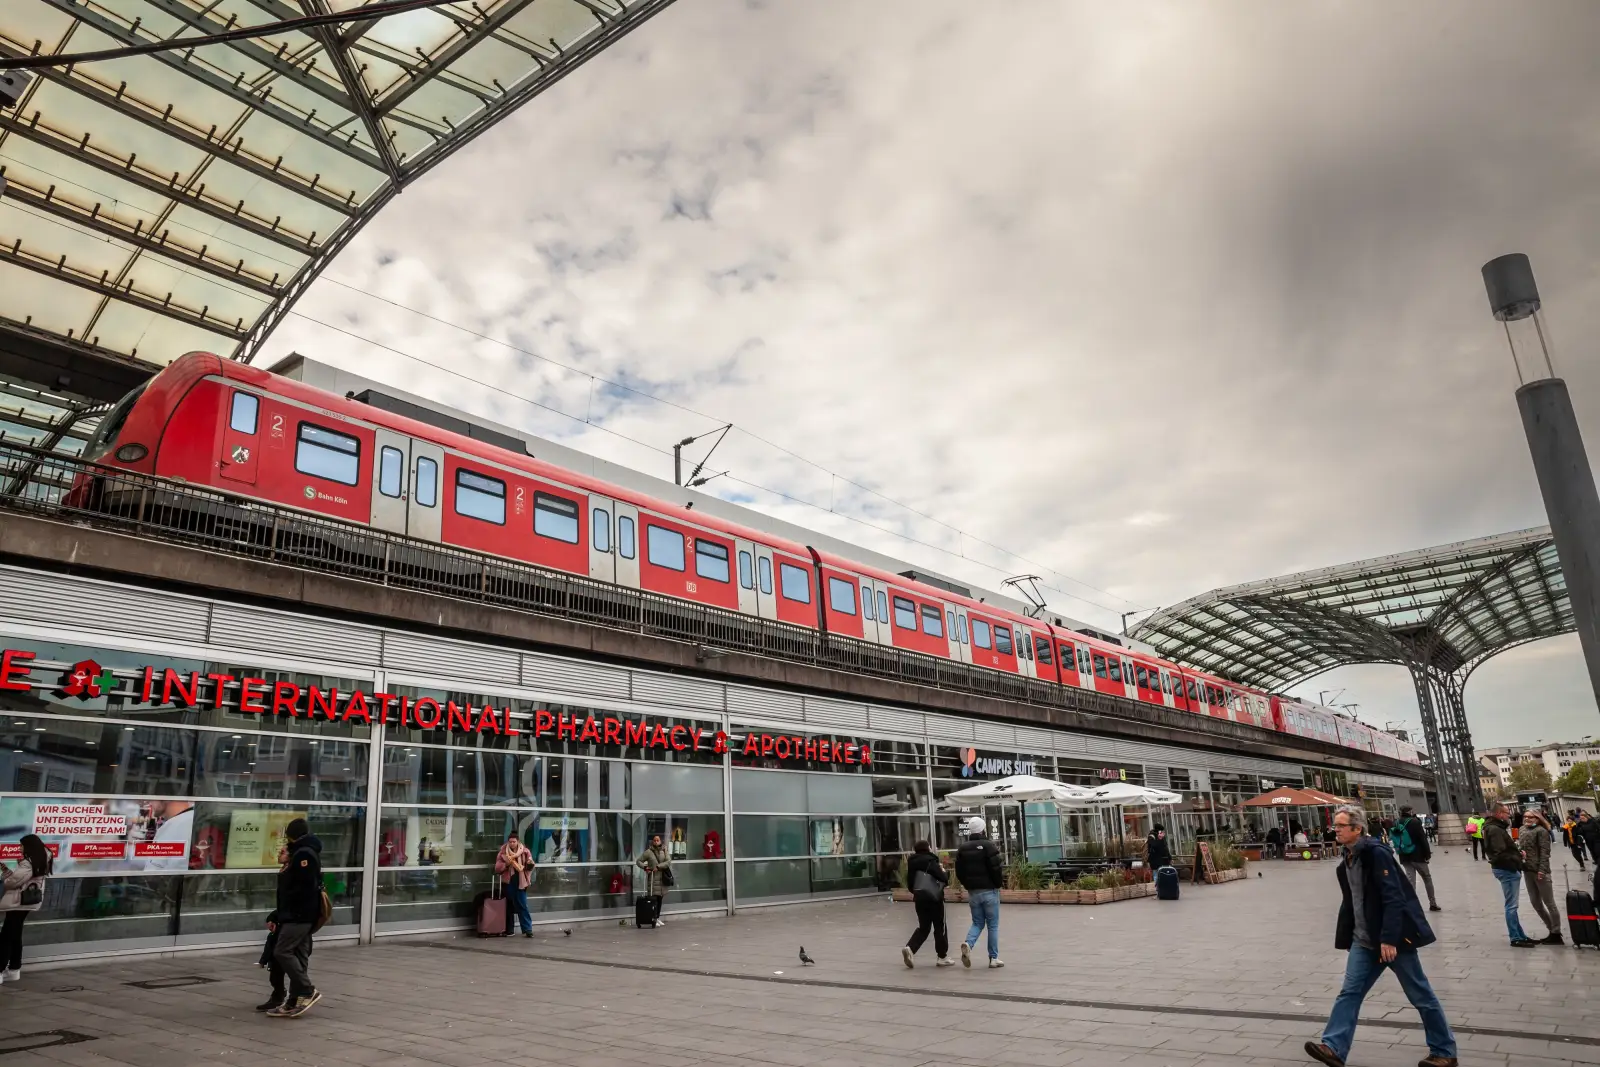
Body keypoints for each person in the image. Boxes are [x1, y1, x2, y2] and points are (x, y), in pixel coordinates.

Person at [1303, 806, 1457, 1067]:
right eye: (1336, 826)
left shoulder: (1376, 854)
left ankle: (1444, 1051)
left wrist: (1389, 938)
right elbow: (1353, 901)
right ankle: (1333, 1047)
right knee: (1349, 993)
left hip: (1392, 941)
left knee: (1421, 995)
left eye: (1341, 826)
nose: (1336, 829)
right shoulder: (1347, 860)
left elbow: (1394, 897)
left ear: (1357, 829)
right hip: (1364, 941)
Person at [268, 818, 324, 1017]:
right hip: (297, 914)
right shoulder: (300, 852)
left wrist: (288, 912)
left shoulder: (304, 854)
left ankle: (307, 991)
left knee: (282, 951)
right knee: (298, 957)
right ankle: (293, 1001)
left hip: (299, 916)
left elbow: (303, 888)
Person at [1482, 801, 1537, 948]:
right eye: (1507, 812)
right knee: (1511, 906)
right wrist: (1517, 859)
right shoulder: (1495, 830)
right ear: (1499, 814)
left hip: (1506, 868)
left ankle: (1520, 935)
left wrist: (1517, 853)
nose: (1509, 815)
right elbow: (1500, 853)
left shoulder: (1493, 827)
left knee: (1512, 905)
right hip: (1507, 869)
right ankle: (1515, 937)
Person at [954, 815, 1004, 969]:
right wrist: (997, 884)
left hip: (973, 892)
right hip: (989, 890)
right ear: (982, 829)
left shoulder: (962, 849)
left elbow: (959, 871)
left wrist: (967, 884)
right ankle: (993, 958)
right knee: (992, 925)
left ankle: (968, 944)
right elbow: (996, 868)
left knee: (977, 922)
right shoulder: (989, 846)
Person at [0, 834, 51, 983]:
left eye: (21, 846)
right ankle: (14, 969)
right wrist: (10, 872)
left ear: (29, 847)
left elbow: (12, 883)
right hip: (28, 901)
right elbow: (21, 879)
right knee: (15, 934)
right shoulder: (44, 858)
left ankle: (1, 969)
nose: (20, 848)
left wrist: (6, 876)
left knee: (6, 936)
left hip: (18, 902)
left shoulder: (28, 863)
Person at [901, 841, 953, 968]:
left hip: (919, 899)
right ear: (927, 848)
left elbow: (910, 884)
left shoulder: (912, 863)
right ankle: (942, 956)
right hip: (935, 899)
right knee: (940, 927)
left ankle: (910, 948)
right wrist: (943, 871)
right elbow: (944, 879)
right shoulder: (931, 861)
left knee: (924, 927)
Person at [1518, 809, 1561, 945]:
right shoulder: (1522, 829)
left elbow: (1545, 852)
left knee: (1549, 903)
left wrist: (1542, 870)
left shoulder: (1541, 831)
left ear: (1537, 818)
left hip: (1540, 871)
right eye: (1525, 817)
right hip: (1527, 870)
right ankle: (1551, 929)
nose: (1527, 819)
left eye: (1531, 817)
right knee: (1535, 902)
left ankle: (1556, 932)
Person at [257, 844, 290, 1012]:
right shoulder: (284, 872)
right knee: (276, 966)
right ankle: (278, 994)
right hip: (284, 922)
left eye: (283, 852)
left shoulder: (293, 874)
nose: (279, 854)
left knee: (286, 962)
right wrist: (273, 917)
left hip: (292, 925)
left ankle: (295, 995)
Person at [1391, 805, 1440, 913]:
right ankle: (1432, 903)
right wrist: (1427, 854)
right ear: (1410, 811)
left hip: (1404, 855)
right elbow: (1422, 838)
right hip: (1417, 855)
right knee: (1427, 878)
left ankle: (1410, 906)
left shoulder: (1396, 822)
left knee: (1410, 881)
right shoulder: (1415, 822)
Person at [496, 833, 534, 937]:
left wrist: (529, 863)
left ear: (518, 842)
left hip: (521, 882)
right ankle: (509, 930)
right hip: (508, 882)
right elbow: (497, 868)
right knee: (508, 906)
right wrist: (506, 864)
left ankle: (528, 929)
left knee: (522, 905)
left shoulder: (525, 851)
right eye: (510, 842)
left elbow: (530, 866)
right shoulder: (503, 852)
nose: (512, 844)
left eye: (514, 842)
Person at [636, 834, 672, 927]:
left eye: (658, 840)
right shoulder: (648, 852)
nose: (656, 842)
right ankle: (653, 917)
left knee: (660, 899)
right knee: (653, 899)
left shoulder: (664, 850)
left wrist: (658, 866)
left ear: (660, 841)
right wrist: (645, 867)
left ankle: (657, 917)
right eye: (655, 840)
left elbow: (668, 862)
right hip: (652, 879)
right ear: (652, 841)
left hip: (662, 879)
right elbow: (638, 861)